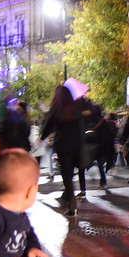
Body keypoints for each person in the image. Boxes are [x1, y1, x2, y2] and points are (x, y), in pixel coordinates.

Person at [40, 78, 89, 216]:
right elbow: (82, 127)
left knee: (66, 175)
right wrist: (82, 143)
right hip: (77, 145)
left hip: (63, 145)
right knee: (71, 173)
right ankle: (68, 196)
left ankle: (72, 204)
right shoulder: (77, 107)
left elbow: (48, 125)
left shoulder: (57, 107)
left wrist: (42, 138)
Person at [93, 112, 118, 189]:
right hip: (111, 148)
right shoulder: (115, 126)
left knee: (100, 164)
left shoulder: (103, 124)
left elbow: (96, 133)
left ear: (109, 117)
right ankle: (105, 177)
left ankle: (103, 182)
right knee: (107, 163)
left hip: (102, 147)